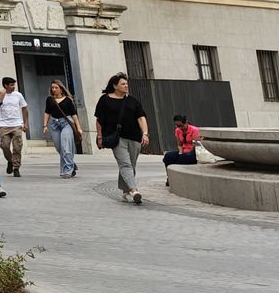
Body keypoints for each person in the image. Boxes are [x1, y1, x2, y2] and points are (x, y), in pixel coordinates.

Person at [93, 72, 152, 204]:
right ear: (115, 86)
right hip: (116, 138)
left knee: (131, 164)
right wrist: (99, 136)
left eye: (126, 83)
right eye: (123, 84)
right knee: (125, 164)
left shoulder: (132, 101)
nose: (126, 86)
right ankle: (134, 190)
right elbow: (99, 120)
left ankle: (125, 190)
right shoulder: (105, 99)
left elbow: (141, 117)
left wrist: (145, 133)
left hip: (135, 137)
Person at [43, 79, 81, 178]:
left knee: (66, 147)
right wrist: (45, 125)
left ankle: (68, 170)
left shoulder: (68, 100)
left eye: (56, 87)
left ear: (61, 89)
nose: (54, 89)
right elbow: (47, 112)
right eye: (52, 88)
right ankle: (71, 164)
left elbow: (74, 115)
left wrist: (79, 127)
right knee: (59, 148)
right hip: (54, 124)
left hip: (66, 123)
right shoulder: (49, 99)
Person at [0, 75, 30, 176]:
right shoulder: (0, 96)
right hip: (4, 125)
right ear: (5, 86)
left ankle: (16, 167)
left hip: (16, 124)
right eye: (11, 85)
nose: (13, 87)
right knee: (4, 145)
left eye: (14, 85)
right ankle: (10, 160)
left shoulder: (18, 95)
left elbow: (24, 108)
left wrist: (26, 123)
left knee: (17, 147)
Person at [163, 113, 201, 180]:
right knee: (168, 156)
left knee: (186, 157)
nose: (180, 128)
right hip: (183, 151)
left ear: (186, 122)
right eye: (177, 126)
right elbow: (179, 144)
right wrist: (180, 152)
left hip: (193, 151)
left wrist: (187, 152)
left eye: (181, 125)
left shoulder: (194, 130)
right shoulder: (178, 130)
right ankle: (170, 177)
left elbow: (196, 145)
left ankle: (178, 176)